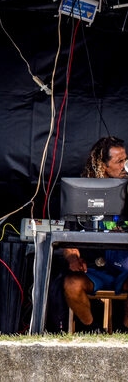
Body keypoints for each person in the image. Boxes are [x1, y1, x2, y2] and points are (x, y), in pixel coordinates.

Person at [62, 136, 128, 330]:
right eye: (119, 162)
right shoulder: (82, 193)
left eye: (126, 160)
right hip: (94, 269)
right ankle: (92, 329)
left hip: (125, 268)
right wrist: (73, 259)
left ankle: (124, 332)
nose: (125, 166)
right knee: (71, 284)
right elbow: (68, 237)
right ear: (103, 166)